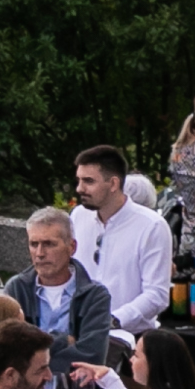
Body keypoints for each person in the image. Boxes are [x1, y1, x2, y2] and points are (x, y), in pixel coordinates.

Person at [74, 142, 175, 337]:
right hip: (81, 332)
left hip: (129, 338)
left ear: (113, 184)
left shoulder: (152, 226)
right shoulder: (78, 216)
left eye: (88, 181)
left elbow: (157, 295)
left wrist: (112, 320)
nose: (79, 188)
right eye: (78, 180)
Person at [11, 208, 121, 384]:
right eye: (33, 244)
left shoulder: (95, 296)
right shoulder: (17, 289)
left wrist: (31, 365)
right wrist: (63, 341)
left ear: (72, 247)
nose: (39, 253)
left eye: (49, 244)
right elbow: (8, 352)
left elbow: (92, 358)